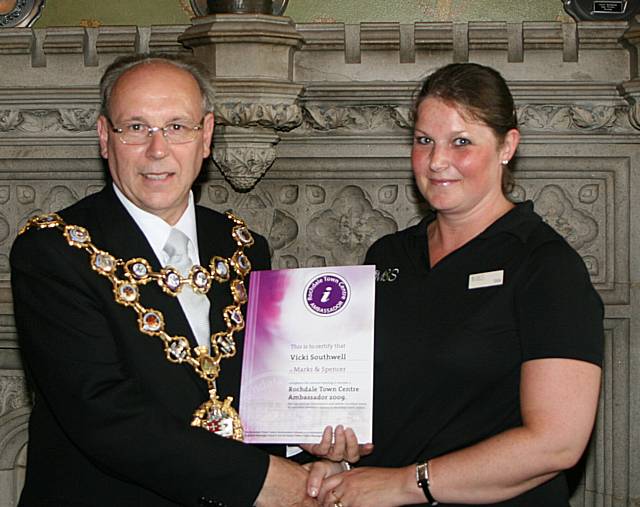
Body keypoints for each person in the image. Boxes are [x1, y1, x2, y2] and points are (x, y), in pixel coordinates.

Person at [11, 53, 327, 507]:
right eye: (135, 127)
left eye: (177, 126)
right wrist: (264, 480)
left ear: (207, 136)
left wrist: (311, 436)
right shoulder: (54, 250)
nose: (157, 150)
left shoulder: (245, 246)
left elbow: (263, 388)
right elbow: (103, 412)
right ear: (105, 138)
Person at [306, 63, 604, 507]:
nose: (437, 161)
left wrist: (407, 483)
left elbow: (557, 443)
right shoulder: (388, 256)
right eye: (424, 140)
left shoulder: (546, 266)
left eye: (461, 142)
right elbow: (389, 404)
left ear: (508, 146)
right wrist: (340, 455)